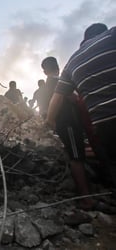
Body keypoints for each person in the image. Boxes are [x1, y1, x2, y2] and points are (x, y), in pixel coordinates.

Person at [47, 23, 116, 210]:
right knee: (77, 157)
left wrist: (49, 122)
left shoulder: (72, 62)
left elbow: (55, 100)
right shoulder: (110, 36)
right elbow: (69, 100)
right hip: (75, 123)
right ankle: (87, 198)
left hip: (103, 125)